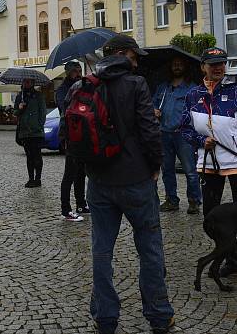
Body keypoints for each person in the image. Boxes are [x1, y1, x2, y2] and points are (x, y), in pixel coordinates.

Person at [85, 34, 174, 334]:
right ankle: (160, 316)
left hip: (98, 181)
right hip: (136, 178)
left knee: (101, 250)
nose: (137, 63)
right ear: (122, 54)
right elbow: (151, 131)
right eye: (135, 57)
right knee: (149, 249)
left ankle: (105, 317)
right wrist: (155, 165)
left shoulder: (86, 84)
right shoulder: (136, 85)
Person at [180, 47, 237, 286]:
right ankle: (232, 262)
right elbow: (184, 129)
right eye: (213, 64)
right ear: (203, 67)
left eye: (222, 63)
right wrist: (201, 141)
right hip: (208, 164)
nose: (219, 68)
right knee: (215, 218)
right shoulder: (193, 95)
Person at [153, 56, 201, 214]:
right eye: (174, 64)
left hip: (183, 134)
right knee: (167, 170)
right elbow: (152, 105)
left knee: (190, 170)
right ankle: (171, 200)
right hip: (164, 133)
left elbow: (197, 111)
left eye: (180, 64)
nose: (177, 67)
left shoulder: (192, 88)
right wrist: (154, 111)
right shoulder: (163, 88)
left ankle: (194, 201)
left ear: (185, 67)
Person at [56, 60, 87, 221]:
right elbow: (66, 108)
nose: (78, 72)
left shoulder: (82, 85)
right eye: (75, 70)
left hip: (82, 133)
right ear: (68, 72)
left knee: (81, 172)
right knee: (70, 172)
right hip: (69, 134)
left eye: (79, 69)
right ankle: (65, 209)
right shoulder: (62, 90)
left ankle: (81, 203)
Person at [14, 78, 46, 188]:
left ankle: (38, 179)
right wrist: (19, 109)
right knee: (29, 156)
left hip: (36, 132)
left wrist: (39, 125)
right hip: (24, 131)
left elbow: (43, 112)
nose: (26, 83)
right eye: (25, 81)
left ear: (33, 83)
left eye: (29, 82)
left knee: (37, 155)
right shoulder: (20, 96)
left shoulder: (38, 96)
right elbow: (15, 112)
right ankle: (30, 178)